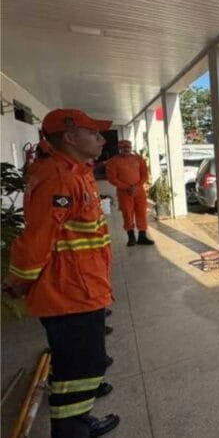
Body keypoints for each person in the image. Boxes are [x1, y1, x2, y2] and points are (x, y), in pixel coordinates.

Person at [6, 109, 120, 437]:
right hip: (70, 292)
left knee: (79, 363)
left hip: (82, 285)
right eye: (93, 133)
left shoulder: (70, 170)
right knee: (83, 367)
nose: (101, 139)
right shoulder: (59, 177)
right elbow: (36, 240)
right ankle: (72, 430)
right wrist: (18, 281)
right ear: (70, 137)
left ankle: (79, 420)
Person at [105, 139, 153, 246]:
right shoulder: (113, 161)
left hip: (139, 191)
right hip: (124, 192)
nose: (126, 149)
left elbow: (145, 175)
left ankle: (142, 236)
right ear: (120, 148)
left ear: (131, 147)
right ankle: (131, 237)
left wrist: (137, 186)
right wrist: (126, 187)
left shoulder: (138, 159)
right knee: (127, 213)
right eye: (123, 147)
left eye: (128, 147)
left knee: (141, 212)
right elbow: (111, 178)